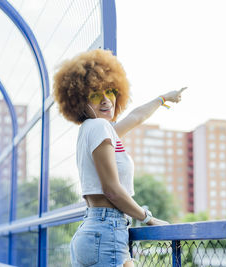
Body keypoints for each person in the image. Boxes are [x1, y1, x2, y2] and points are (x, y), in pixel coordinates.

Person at [53, 49, 187, 267]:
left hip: (94, 229)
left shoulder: (94, 129)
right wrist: (148, 218)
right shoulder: (98, 127)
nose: (106, 100)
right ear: (80, 101)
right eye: (96, 95)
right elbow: (112, 189)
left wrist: (162, 98)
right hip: (106, 232)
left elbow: (135, 117)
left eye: (110, 92)